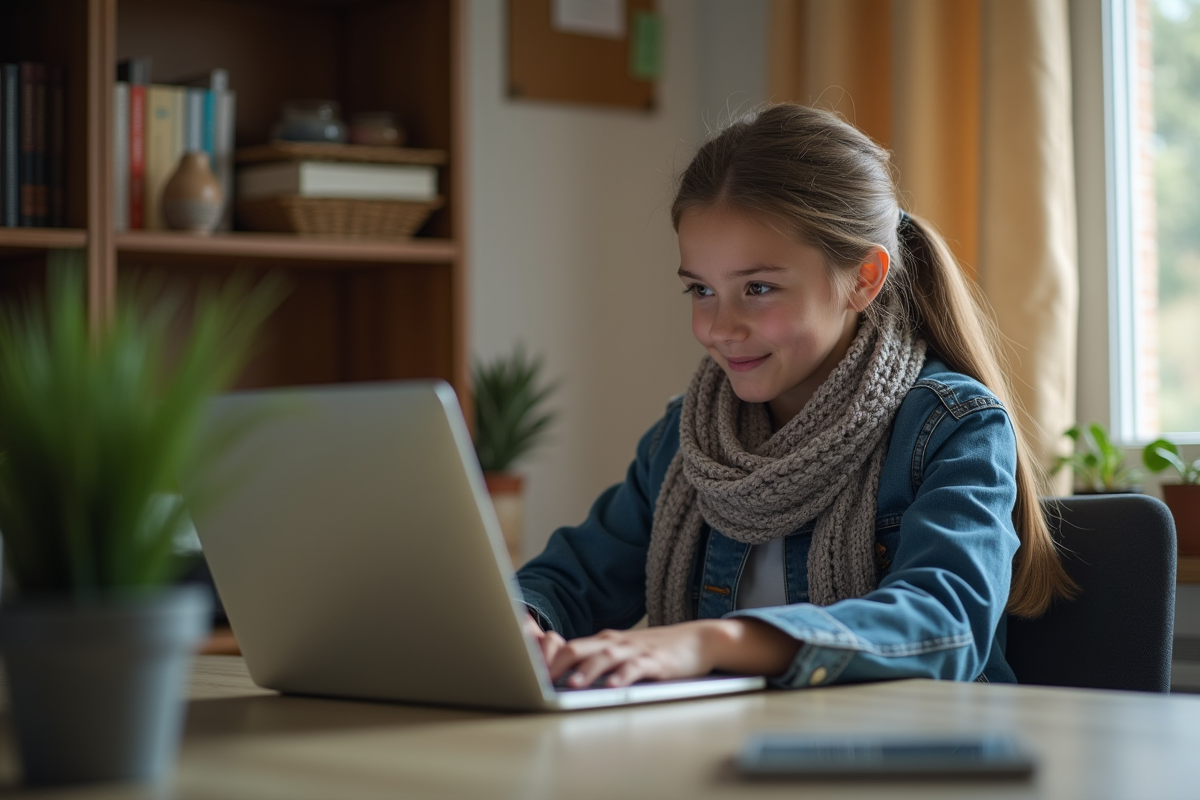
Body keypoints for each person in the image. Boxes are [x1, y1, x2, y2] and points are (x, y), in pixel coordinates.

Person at [515, 103, 1075, 691]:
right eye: (701, 290)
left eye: (758, 288)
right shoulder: (684, 440)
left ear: (862, 279)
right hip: (726, 761)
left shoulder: (953, 426)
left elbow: (946, 624)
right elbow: (567, 580)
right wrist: (523, 624)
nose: (720, 327)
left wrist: (713, 640)